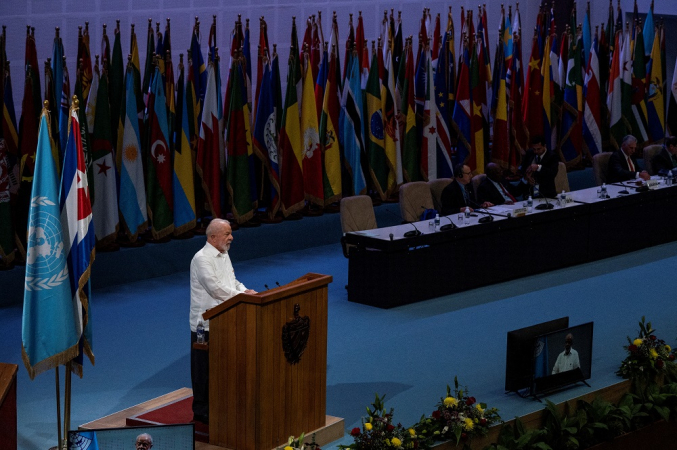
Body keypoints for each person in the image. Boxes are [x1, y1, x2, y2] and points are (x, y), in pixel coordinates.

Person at [190, 218, 257, 423]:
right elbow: (215, 289)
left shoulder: (224, 254)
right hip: (205, 325)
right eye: (227, 234)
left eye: (230, 233)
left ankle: (220, 405)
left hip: (225, 320)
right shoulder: (202, 259)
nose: (231, 237)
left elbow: (231, 281)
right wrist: (242, 297)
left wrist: (244, 289)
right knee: (203, 370)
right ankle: (201, 411)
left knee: (221, 367)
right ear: (212, 237)